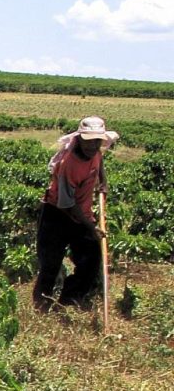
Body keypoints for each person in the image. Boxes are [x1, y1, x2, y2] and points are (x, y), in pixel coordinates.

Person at [33, 115, 117, 311]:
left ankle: (69, 300)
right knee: (50, 263)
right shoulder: (69, 164)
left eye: (97, 141)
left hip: (81, 214)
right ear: (79, 139)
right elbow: (67, 203)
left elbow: (99, 161)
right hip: (57, 214)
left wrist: (102, 180)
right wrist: (91, 227)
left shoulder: (95, 151)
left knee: (91, 260)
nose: (92, 146)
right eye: (88, 141)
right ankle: (41, 303)